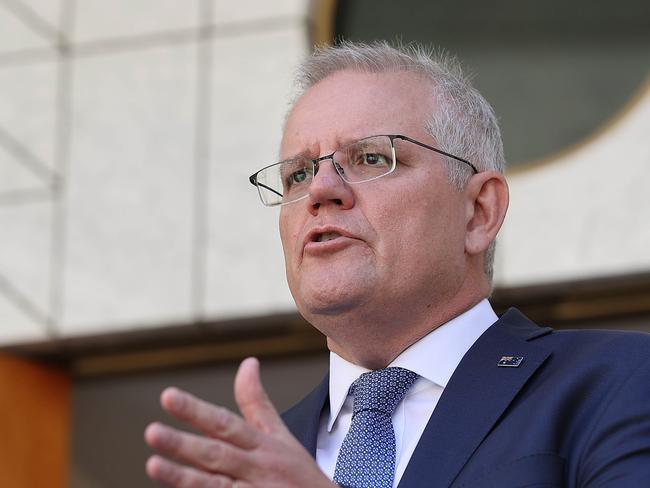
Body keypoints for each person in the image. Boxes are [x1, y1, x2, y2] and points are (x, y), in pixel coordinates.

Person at [144, 41, 650, 487]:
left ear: (478, 212)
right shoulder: (246, 468)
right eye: (298, 174)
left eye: (369, 159)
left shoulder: (619, 382)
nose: (321, 190)